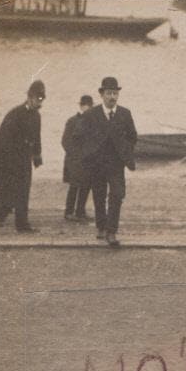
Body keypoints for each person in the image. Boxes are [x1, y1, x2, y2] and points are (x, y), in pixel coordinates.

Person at [80, 77, 138, 248]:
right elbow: (80, 137)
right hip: (97, 163)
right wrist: (88, 153)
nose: (112, 97)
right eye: (108, 93)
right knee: (99, 195)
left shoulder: (124, 114)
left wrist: (124, 151)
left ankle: (111, 231)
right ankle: (101, 226)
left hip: (116, 164)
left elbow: (133, 136)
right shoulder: (91, 115)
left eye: (115, 93)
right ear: (101, 94)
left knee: (117, 194)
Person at [0, 80, 45, 233]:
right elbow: (3, 137)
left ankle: (21, 224)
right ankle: (1, 213)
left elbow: (37, 137)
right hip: (11, 159)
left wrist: (37, 154)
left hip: (25, 159)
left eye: (42, 99)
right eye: (37, 99)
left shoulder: (37, 116)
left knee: (23, 190)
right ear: (30, 97)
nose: (39, 102)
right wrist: (8, 158)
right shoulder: (15, 114)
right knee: (12, 190)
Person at [62, 95, 94, 223]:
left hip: (88, 160)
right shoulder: (72, 121)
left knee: (86, 186)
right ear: (81, 106)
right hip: (74, 160)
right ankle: (69, 212)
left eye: (90, 106)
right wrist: (76, 155)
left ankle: (80, 212)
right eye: (85, 105)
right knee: (74, 186)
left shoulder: (93, 122)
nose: (88, 108)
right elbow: (65, 141)